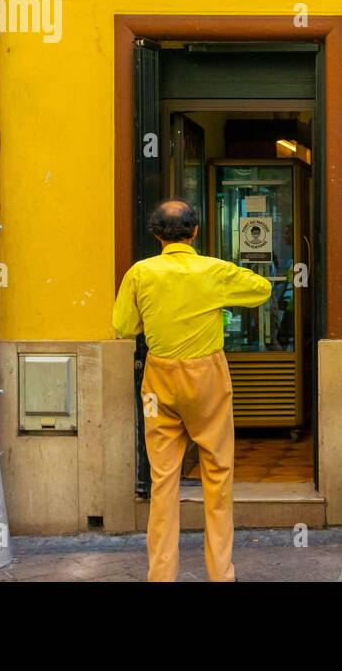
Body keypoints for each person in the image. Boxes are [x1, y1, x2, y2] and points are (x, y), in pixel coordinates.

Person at [112, 200, 272, 582]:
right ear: (195, 232)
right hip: (207, 375)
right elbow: (262, 289)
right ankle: (221, 573)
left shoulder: (140, 272)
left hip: (159, 374)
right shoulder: (213, 270)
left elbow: (123, 325)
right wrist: (218, 303)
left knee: (162, 479)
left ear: (156, 235)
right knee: (218, 473)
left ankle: (161, 574)